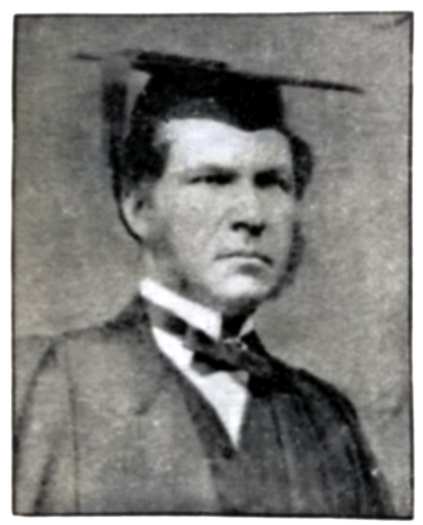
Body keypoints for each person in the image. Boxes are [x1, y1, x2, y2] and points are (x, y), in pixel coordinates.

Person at [14, 51, 393, 516]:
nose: (251, 215)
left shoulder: (324, 416)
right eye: (214, 180)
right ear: (139, 208)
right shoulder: (43, 384)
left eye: (273, 182)